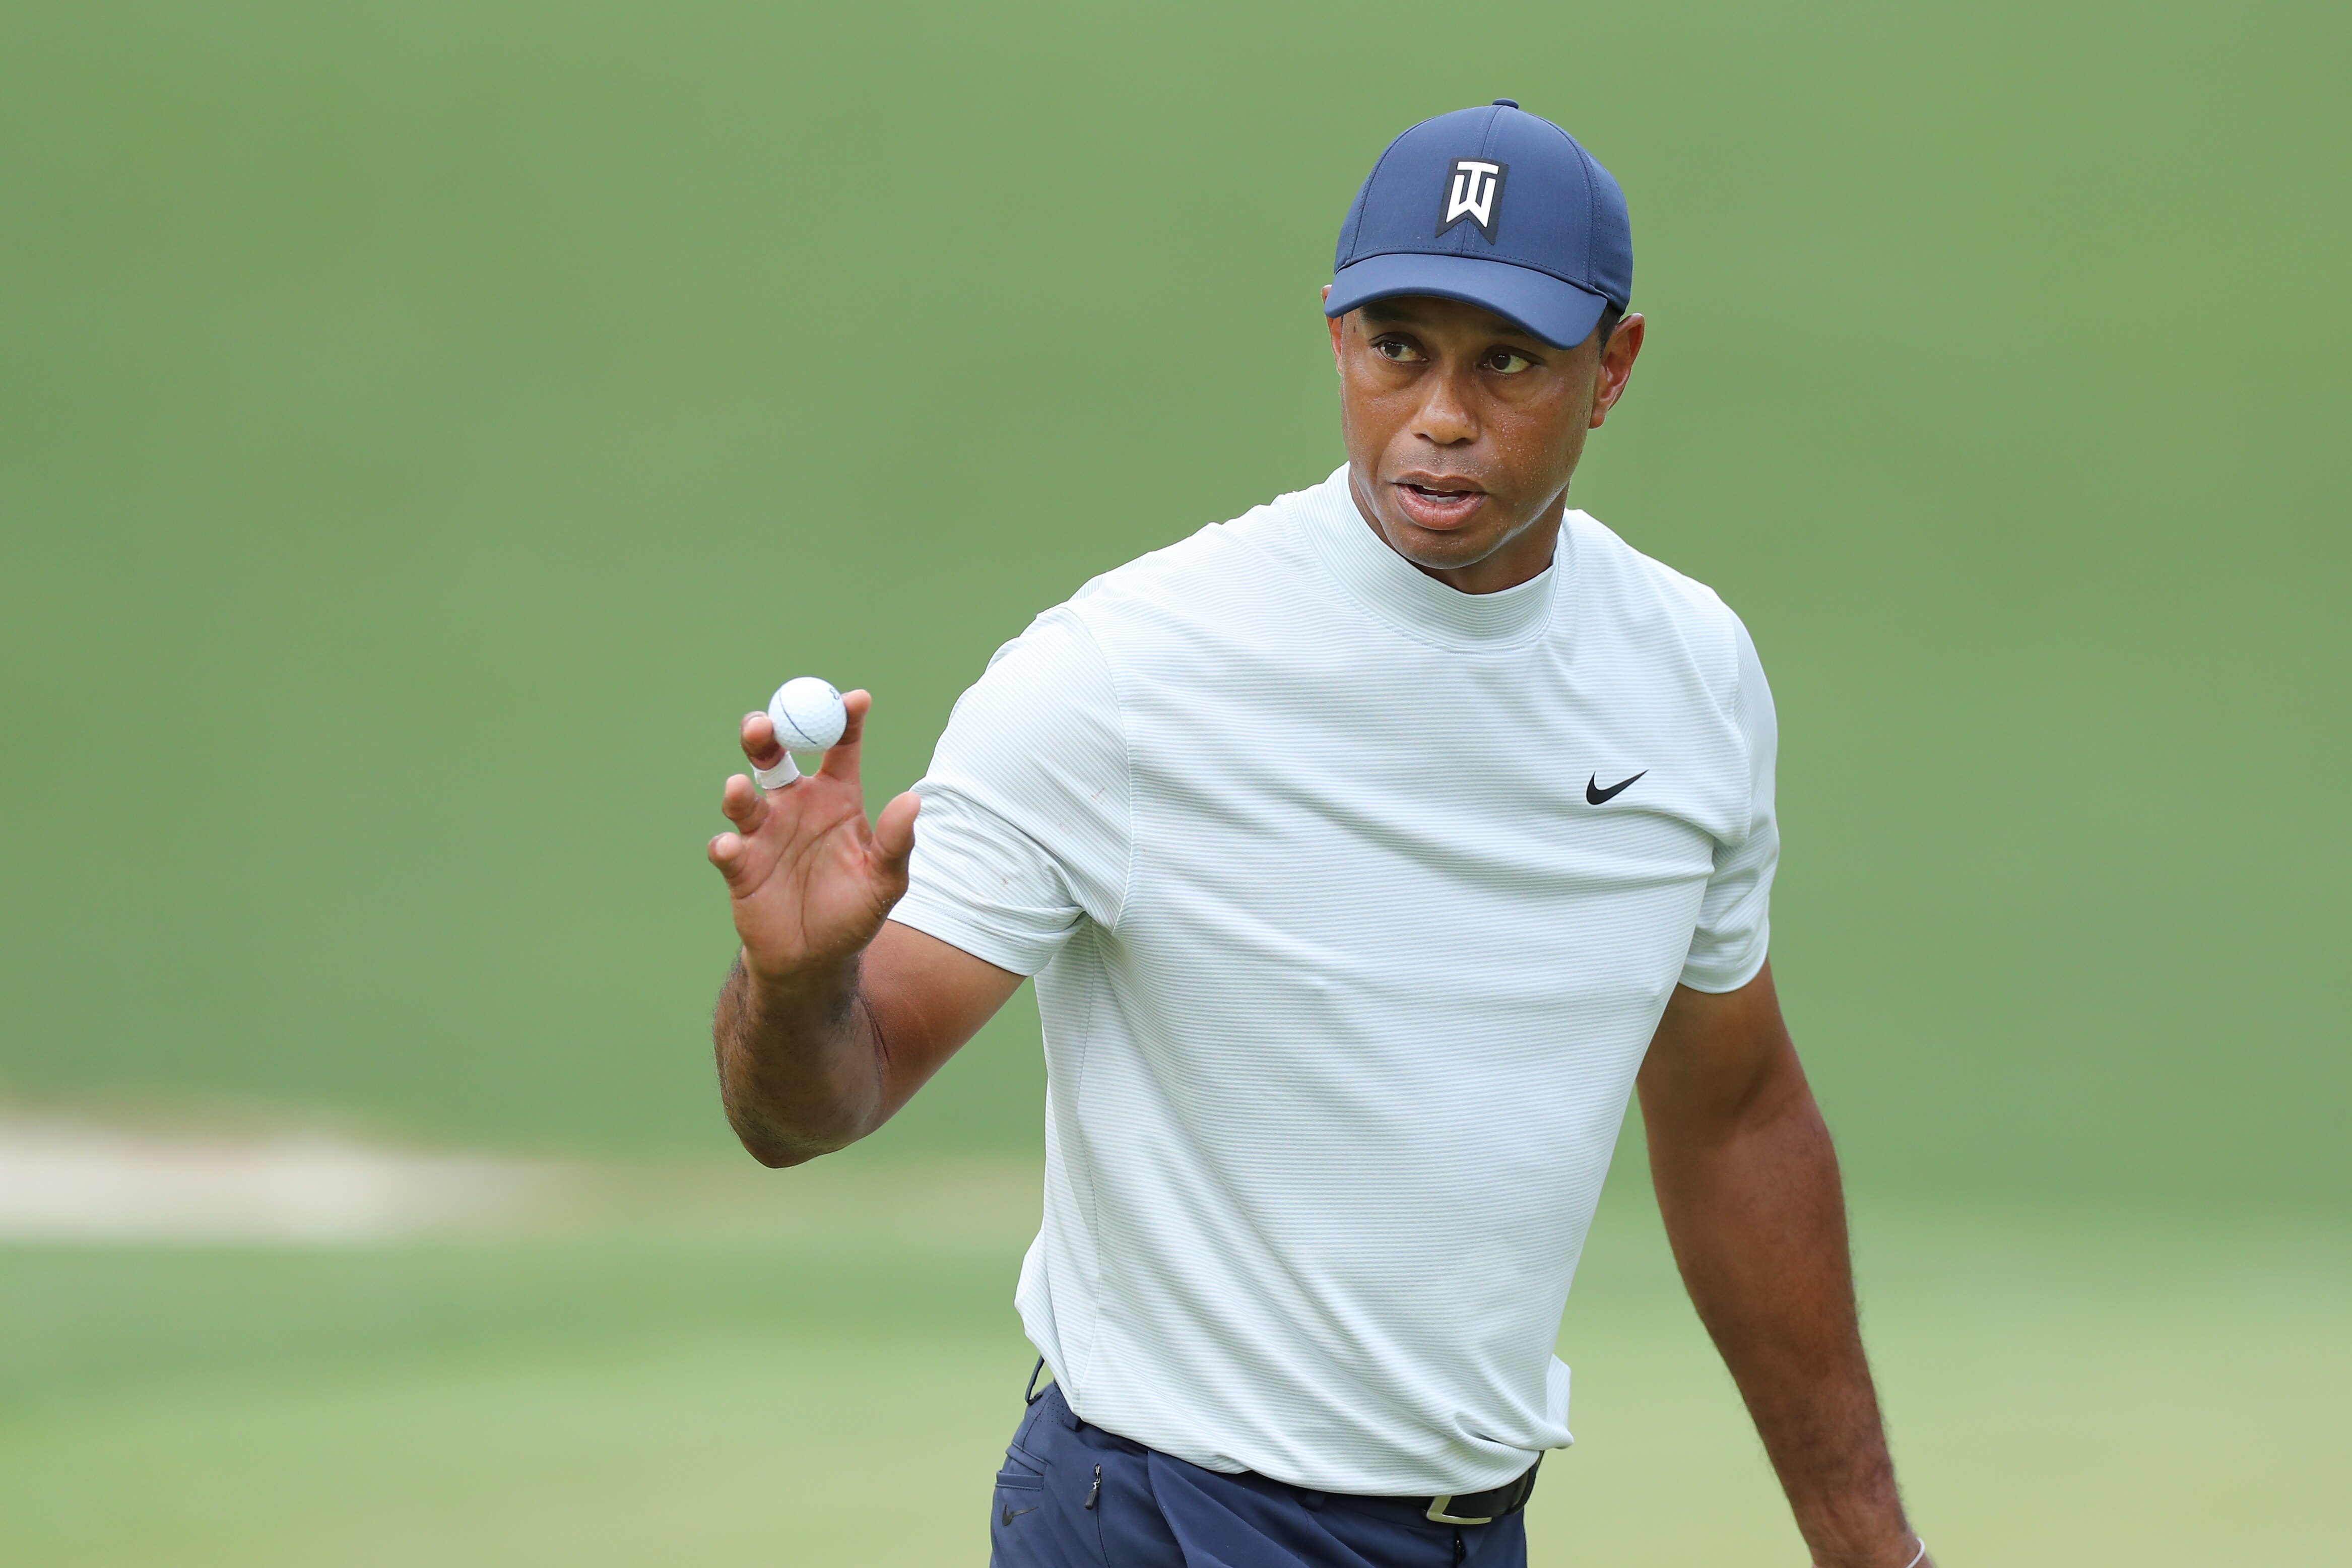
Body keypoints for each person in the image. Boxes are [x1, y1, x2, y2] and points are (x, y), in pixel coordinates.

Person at [706, 101, 1931, 1568]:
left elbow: (1735, 1118)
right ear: (1335, 337)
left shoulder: (1689, 675)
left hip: (1471, 1533)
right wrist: (796, 987)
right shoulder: (1123, 676)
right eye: (1395, 346)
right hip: (1158, 1518)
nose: (1439, 414)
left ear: (1612, 369)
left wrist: (1875, 1552)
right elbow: (813, 1108)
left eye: (1509, 362)